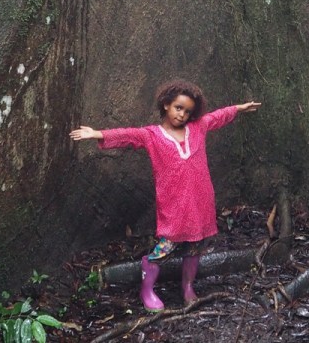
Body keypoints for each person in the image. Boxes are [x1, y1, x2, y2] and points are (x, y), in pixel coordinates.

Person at [69, 79, 261, 311]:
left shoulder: (197, 128)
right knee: (164, 250)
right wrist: (96, 133)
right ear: (166, 105)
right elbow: (127, 135)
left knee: (195, 247)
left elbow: (217, 116)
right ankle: (147, 289)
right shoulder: (152, 135)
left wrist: (238, 109)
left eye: (188, 111)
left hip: (200, 202)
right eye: (178, 108)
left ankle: (188, 287)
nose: (182, 114)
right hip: (174, 206)